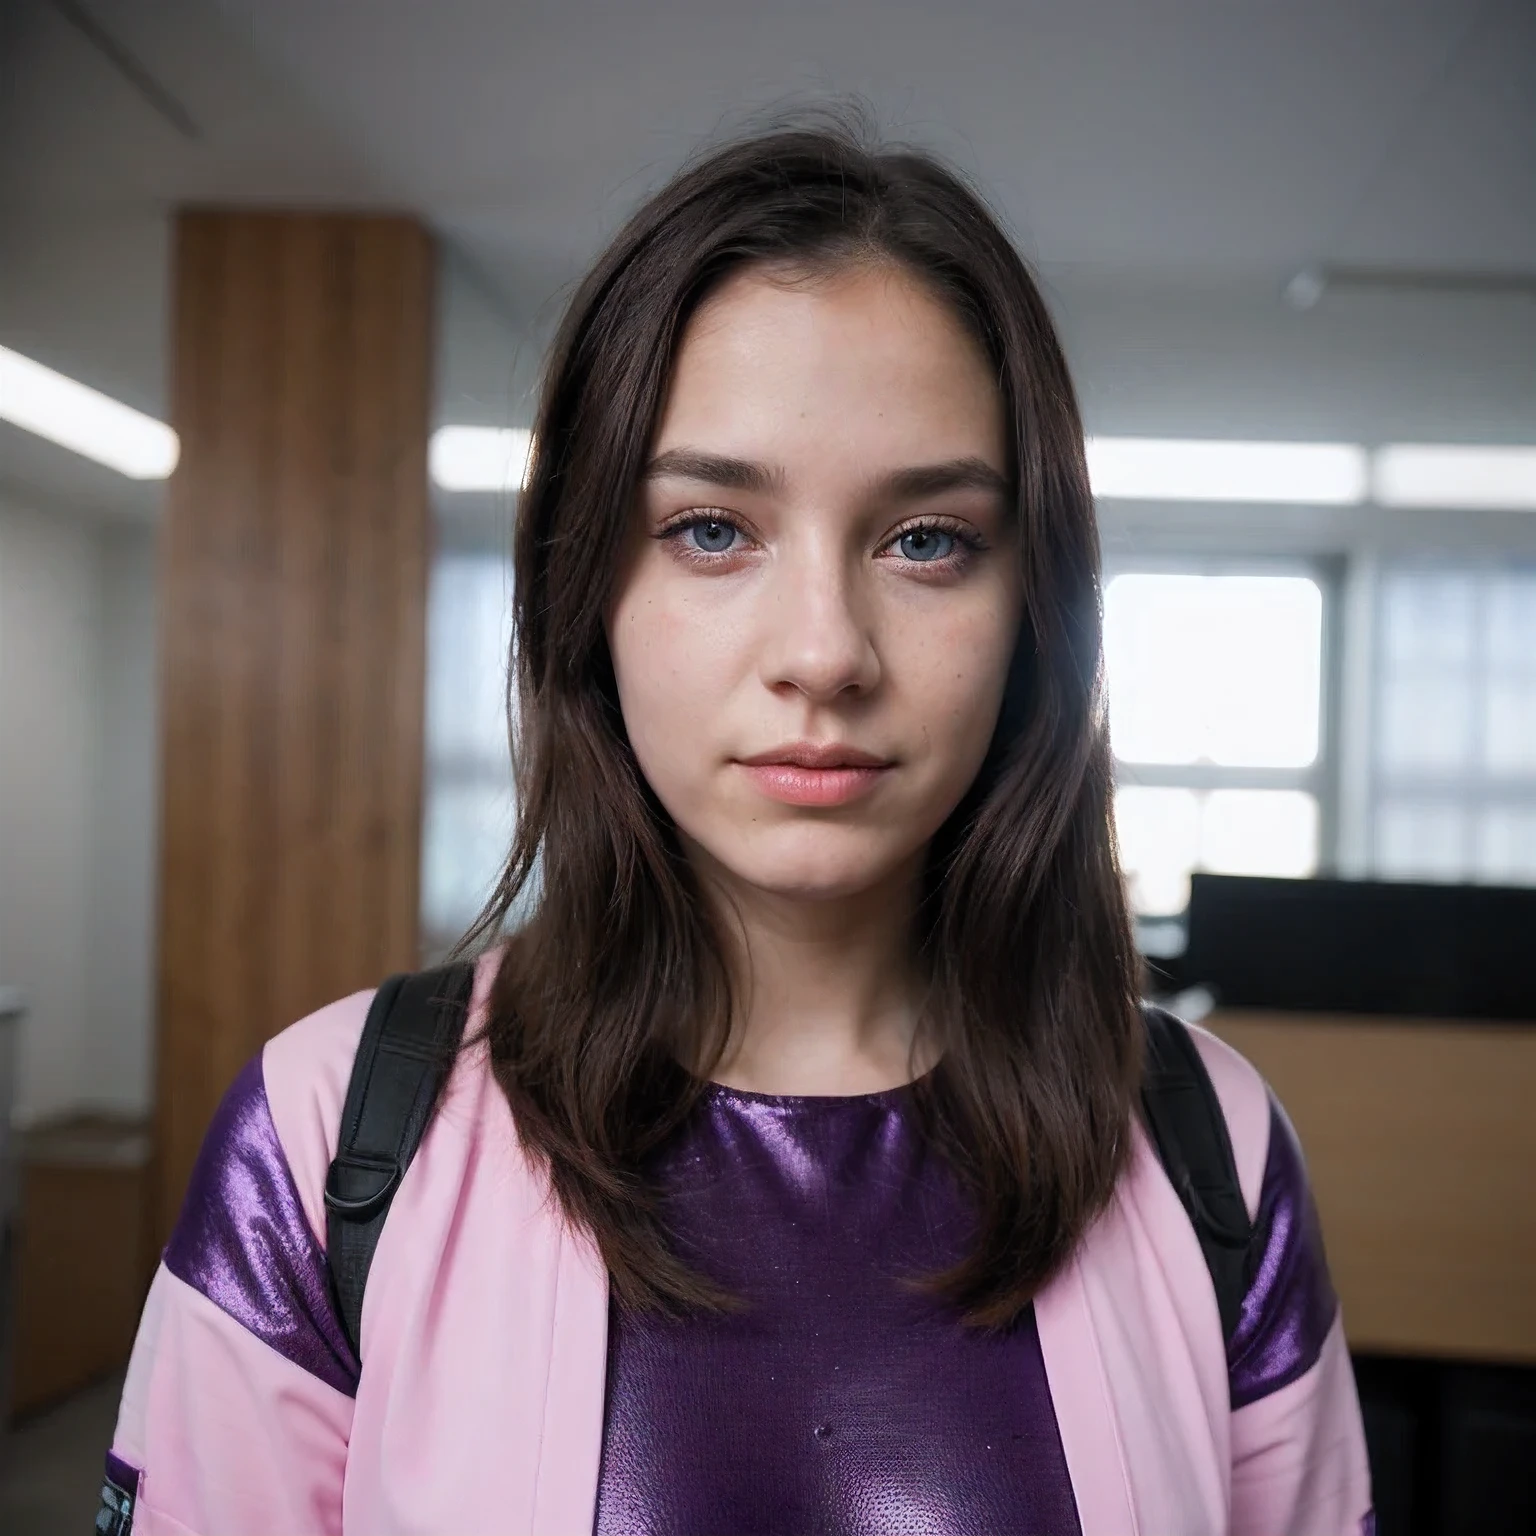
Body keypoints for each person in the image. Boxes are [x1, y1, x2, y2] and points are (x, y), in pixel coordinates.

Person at [103, 119, 1373, 1536]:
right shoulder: (328, 1137)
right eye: (712, 528)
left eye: (927, 539)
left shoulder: (1212, 1149)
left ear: (1037, 612)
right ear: (585, 589)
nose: (824, 652)